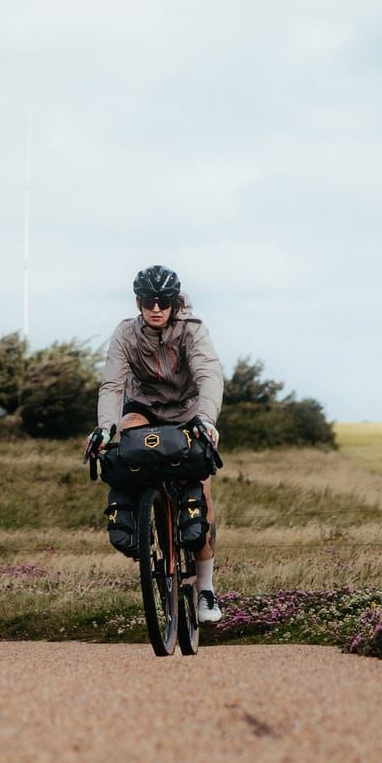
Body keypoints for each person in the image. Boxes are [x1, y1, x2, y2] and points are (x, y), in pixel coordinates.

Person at [85, 265, 226, 622]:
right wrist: (104, 428)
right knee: (125, 440)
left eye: (164, 301)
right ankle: (137, 525)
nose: (156, 308)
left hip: (187, 411)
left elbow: (209, 375)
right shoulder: (126, 334)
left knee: (203, 496)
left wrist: (207, 419)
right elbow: (113, 386)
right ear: (139, 302)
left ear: (175, 302)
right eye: (149, 301)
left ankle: (205, 590)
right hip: (143, 407)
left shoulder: (193, 332)